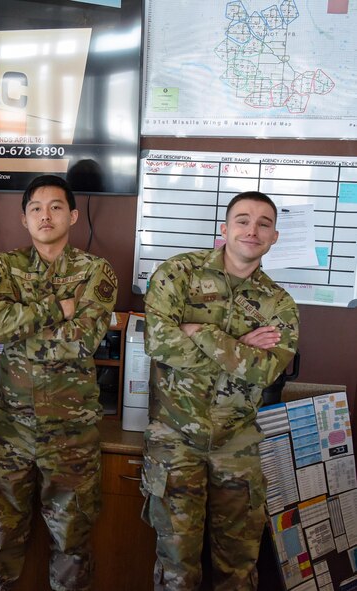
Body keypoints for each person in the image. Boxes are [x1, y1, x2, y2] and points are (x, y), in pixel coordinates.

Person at [141, 190, 300, 590]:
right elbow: (159, 344)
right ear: (225, 228)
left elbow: (264, 373)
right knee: (176, 565)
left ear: (274, 237)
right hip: (175, 438)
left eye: (264, 223)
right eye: (243, 220)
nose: (253, 229)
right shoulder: (178, 274)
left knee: (238, 567)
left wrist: (201, 332)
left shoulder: (280, 305)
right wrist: (239, 345)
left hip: (237, 444)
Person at [0, 174, 117, 591]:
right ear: (23, 219)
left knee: (72, 539)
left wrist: (28, 325)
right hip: (11, 429)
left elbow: (85, 340)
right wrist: (60, 307)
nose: (45, 215)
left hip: (70, 432)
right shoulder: (4, 265)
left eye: (56, 206)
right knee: (4, 531)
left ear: (73, 215)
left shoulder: (96, 270)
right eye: (36, 208)